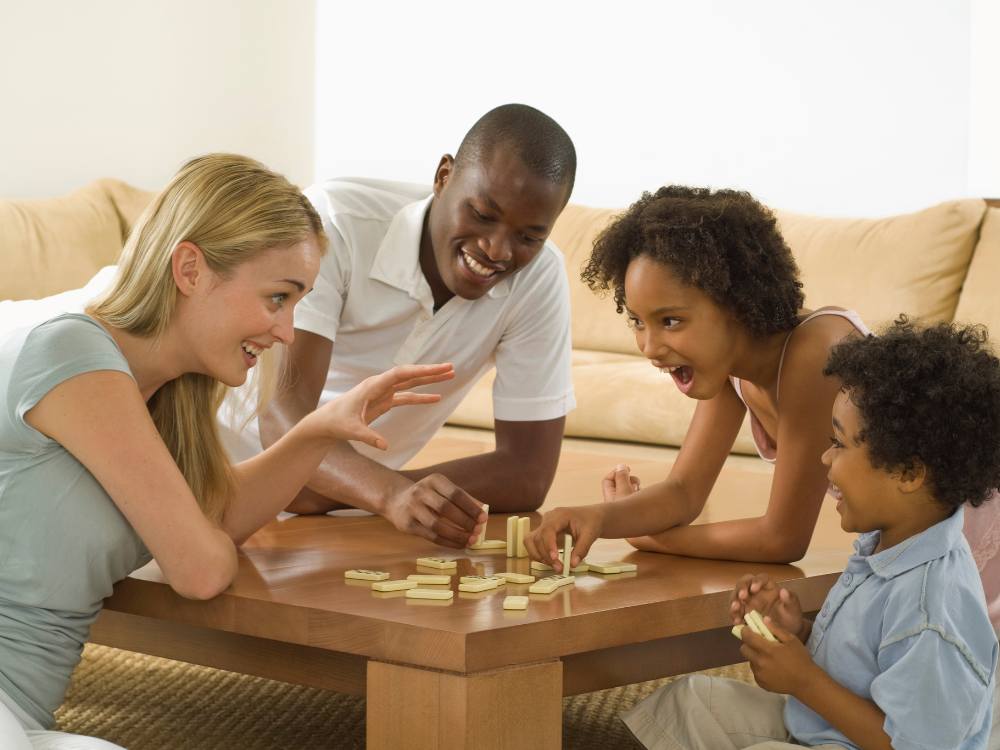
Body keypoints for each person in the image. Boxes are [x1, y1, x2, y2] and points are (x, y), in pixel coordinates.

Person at [0, 154, 461, 749]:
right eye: (277, 297)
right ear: (190, 270)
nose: (289, 332)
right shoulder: (74, 357)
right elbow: (200, 567)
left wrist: (318, 432)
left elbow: (212, 519)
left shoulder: (162, 397)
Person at [622, 318, 1000, 750]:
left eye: (839, 444)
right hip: (823, 729)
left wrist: (802, 680)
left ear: (908, 473)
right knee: (691, 701)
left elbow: (912, 744)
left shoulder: (933, 607)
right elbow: (862, 661)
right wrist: (799, 632)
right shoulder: (887, 546)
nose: (824, 458)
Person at [231, 103, 577, 549]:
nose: (497, 249)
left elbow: (528, 473)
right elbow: (282, 416)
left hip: (333, 514)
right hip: (210, 468)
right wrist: (387, 493)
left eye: (529, 237)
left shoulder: (540, 278)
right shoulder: (336, 222)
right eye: (483, 215)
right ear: (443, 176)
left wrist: (364, 491)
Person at [525, 186, 867, 568]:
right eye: (638, 321)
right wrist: (597, 517)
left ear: (736, 305)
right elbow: (683, 493)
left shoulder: (816, 352)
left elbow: (782, 539)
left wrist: (645, 536)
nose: (649, 347)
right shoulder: (733, 367)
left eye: (671, 321)